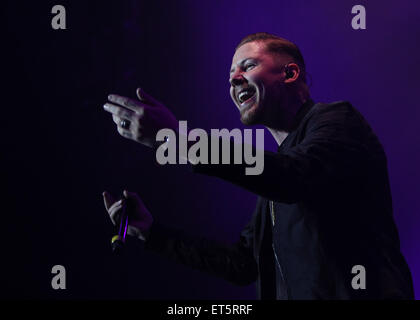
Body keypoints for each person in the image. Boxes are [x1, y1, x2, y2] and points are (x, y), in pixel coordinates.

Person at [102, 32, 414, 299]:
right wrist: (153, 235)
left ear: (290, 74)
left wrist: (179, 141)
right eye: (229, 75)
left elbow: (291, 176)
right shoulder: (275, 176)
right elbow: (242, 264)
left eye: (248, 66)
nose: (234, 79)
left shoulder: (338, 120)